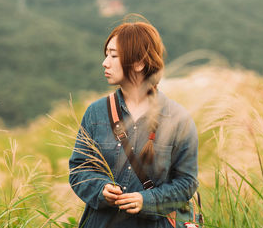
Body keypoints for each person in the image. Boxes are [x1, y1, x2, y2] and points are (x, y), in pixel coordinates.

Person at [69, 16, 199, 228]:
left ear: (139, 63)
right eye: (106, 55)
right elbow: (79, 170)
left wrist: (146, 200)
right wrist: (101, 189)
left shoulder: (178, 120)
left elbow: (187, 183)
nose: (105, 62)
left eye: (113, 56)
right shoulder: (96, 113)